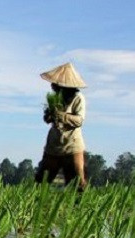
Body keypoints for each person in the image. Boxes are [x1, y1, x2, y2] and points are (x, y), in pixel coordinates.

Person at [35, 62, 87, 191]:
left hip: (72, 144)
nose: (53, 86)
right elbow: (47, 119)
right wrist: (49, 116)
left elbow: (79, 120)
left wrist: (62, 115)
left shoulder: (78, 98)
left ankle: (77, 206)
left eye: (56, 84)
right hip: (54, 144)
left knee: (77, 182)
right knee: (42, 179)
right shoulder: (55, 98)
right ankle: (37, 204)